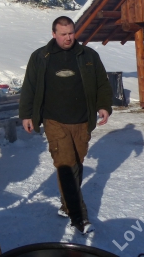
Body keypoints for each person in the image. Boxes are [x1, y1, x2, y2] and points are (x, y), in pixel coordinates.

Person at [19, 16, 112, 235]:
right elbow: (29, 87)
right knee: (67, 166)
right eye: (63, 34)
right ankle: (79, 216)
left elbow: (102, 84)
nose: (68, 37)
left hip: (81, 121)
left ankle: (65, 203)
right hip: (54, 121)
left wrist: (104, 105)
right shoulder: (41, 57)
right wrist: (26, 114)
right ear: (54, 34)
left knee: (77, 164)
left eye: (71, 32)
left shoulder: (88, 56)